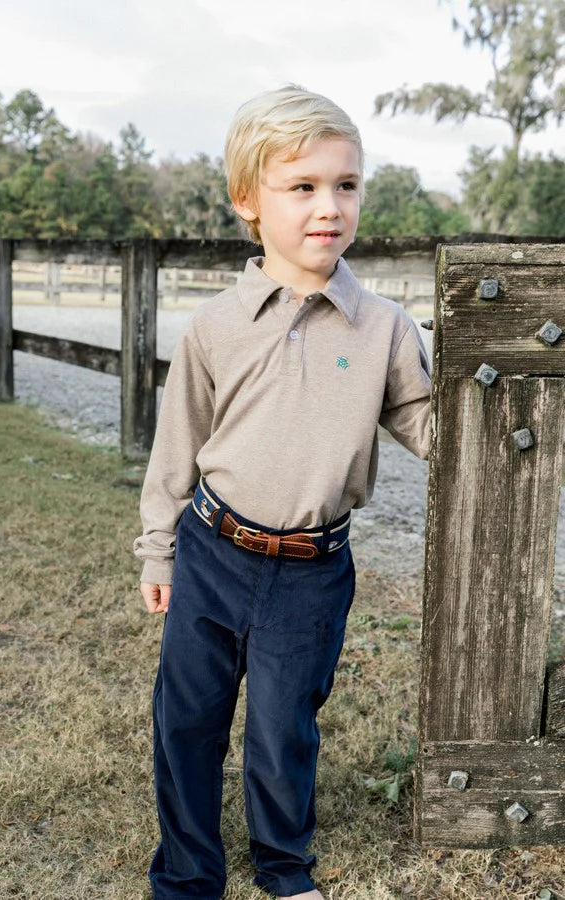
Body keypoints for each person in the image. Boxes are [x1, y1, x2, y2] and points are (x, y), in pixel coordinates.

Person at [134, 84, 431, 900]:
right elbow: (176, 447)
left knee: (281, 730)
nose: (328, 207)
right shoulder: (216, 326)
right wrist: (158, 547)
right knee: (188, 723)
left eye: (345, 185)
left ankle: (283, 868)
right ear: (248, 203)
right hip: (211, 551)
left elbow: (427, 423)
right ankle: (190, 873)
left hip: (312, 569)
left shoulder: (385, 328)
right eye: (301, 187)